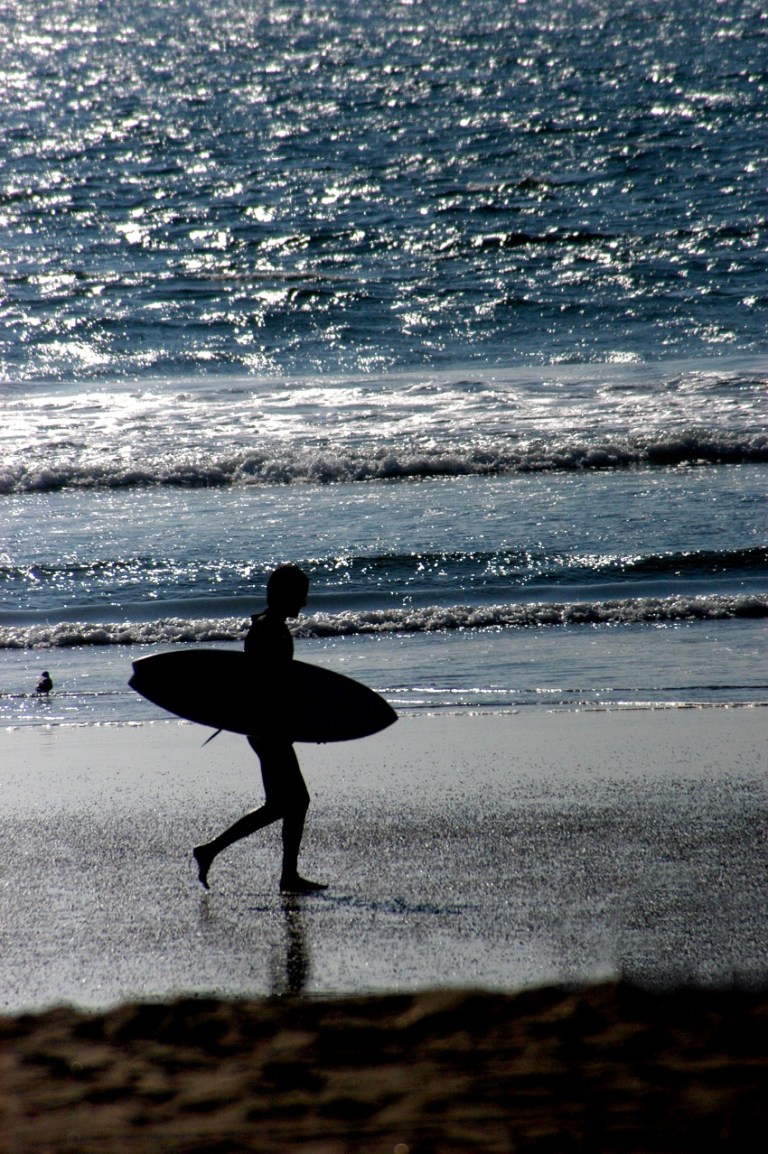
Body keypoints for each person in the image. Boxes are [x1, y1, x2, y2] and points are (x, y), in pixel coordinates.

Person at [193, 565, 327, 894]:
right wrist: (290, 722)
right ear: (284, 595)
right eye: (300, 595)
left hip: (270, 725)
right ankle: (285, 876)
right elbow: (265, 686)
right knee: (292, 802)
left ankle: (215, 852)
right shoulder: (266, 631)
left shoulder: (273, 627)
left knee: (285, 803)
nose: (305, 602)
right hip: (267, 727)